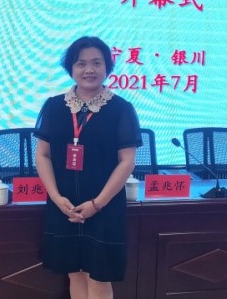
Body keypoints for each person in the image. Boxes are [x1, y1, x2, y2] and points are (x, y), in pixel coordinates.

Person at [34, 36, 142, 299]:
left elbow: (127, 161)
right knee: (75, 273)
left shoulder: (121, 109)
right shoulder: (54, 106)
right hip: (65, 204)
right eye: (81, 63)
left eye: (96, 62)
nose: (89, 70)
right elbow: (43, 155)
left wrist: (97, 204)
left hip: (104, 206)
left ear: (107, 66)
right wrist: (56, 197)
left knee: (99, 278)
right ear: (71, 68)